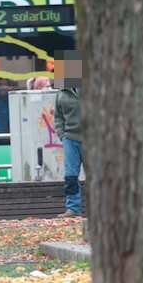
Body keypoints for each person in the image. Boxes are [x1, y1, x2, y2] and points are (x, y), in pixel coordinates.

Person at [54, 52, 83, 218]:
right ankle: (73, 209)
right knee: (70, 175)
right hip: (70, 139)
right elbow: (58, 116)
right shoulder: (61, 93)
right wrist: (62, 134)